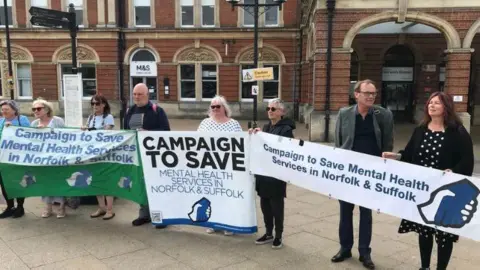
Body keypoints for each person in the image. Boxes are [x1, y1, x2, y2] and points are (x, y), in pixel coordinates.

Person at [382, 91, 473, 270]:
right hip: (423, 190)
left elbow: (467, 159)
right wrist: (396, 156)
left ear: (446, 107)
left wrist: (453, 171)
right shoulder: (421, 129)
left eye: (437, 103)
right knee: (424, 232)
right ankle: (424, 267)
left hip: (447, 193)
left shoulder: (457, 132)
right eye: (430, 103)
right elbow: (409, 154)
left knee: (444, 235)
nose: (431, 105)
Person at [333, 79, 394, 269]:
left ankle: (364, 252)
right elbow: (339, 142)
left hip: (371, 172)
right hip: (348, 171)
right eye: (367, 93)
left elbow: (387, 142)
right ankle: (345, 248)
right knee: (345, 211)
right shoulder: (344, 114)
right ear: (356, 94)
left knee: (366, 213)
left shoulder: (383, 114)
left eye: (373, 93)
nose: (371, 96)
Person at [249, 98, 295, 249]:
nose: (270, 111)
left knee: (276, 207)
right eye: (268, 109)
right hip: (263, 174)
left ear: (281, 112)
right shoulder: (266, 127)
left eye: (273, 109)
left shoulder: (286, 129)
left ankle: (278, 235)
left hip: (276, 175)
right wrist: (253, 136)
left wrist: (263, 137)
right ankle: (268, 232)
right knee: (265, 205)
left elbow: (285, 149)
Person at [124, 83, 171, 228]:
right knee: (142, 184)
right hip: (137, 154)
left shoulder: (157, 110)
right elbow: (125, 132)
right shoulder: (130, 111)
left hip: (155, 156)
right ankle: (144, 214)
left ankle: (161, 216)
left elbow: (167, 132)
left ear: (147, 95)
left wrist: (148, 133)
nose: (137, 97)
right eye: (135, 94)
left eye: (140, 94)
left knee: (156, 185)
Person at [197, 95, 242, 236]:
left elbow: (242, 143)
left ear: (224, 108)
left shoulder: (233, 123)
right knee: (211, 195)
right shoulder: (205, 123)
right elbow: (195, 141)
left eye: (218, 106)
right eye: (212, 106)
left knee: (227, 196)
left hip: (227, 166)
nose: (215, 109)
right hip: (209, 166)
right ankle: (212, 223)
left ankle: (228, 224)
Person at [30, 98, 67, 218]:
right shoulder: (34, 124)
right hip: (42, 159)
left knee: (58, 180)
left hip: (57, 157)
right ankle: (48, 207)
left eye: (39, 108)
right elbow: (29, 141)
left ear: (46, 109)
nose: (36, 111)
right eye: (34, 109)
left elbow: (68, 136)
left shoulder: (57, 121)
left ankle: (61, 207)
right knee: (45, 181)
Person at [82, 94, 116, 220]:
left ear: (104, 105)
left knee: (106, 180)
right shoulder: (91, 117)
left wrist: (89, 130)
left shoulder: (108, 117)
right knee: (95, 180)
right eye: (92, 104)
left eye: (97, 103)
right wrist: (84, 130)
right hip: (93, 153)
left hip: (105, 154)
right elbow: (87, 133)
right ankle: (101, 207)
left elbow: (106, 133)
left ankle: (110, 209)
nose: (95, 106)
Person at [0, 100, 30, 218]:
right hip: (3, 158)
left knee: (18, 181)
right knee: (5, 183)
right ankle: (10, 206)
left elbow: (29, 134)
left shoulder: (22, 120)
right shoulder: (1, 121)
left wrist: (13, 128)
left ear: (14, 110)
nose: (3, 112)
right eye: (2, 110)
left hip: (18, 157)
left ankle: (20, 207)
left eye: (6, 109)